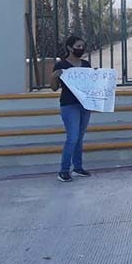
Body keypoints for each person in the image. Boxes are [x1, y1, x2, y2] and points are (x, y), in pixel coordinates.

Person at [50, 35, 93, 183]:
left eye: (82, 46)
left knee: (79, 137)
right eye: (78, 46)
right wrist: (55, 77)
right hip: (69, 105)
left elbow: (91, 85)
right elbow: (54, 88)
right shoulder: (61, 65)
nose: (81, 49)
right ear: (70, 47)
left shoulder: (86, 65)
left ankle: (78, 167)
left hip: (84, 104)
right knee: (72, 137)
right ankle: (64, 170)